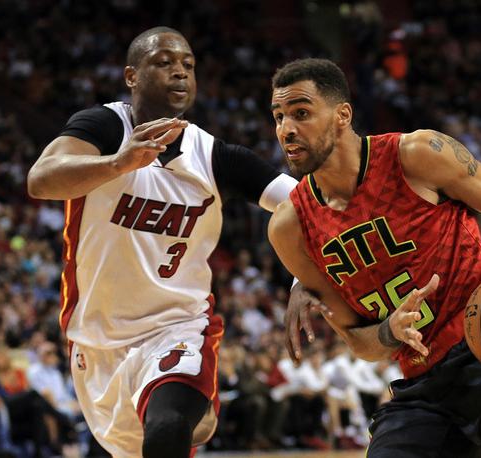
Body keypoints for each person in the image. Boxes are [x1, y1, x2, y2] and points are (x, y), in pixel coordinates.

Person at [268, 58, 481, 457]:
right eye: (279, 116)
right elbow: (359, 342)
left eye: (301, 113)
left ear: (342, 116)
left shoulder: (417, 155)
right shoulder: (290, 228)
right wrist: (389, 331)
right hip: (425, 387)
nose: (286, 129)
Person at [26, 26, 297, 458]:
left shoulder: (215, 156)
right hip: (97, 337)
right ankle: (199, 412)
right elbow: (40, 180)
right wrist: (119, 163)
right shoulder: (103, 126)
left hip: (178, 325)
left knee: (169, 422)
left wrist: (303, 278)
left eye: (188, 65)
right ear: (132, 75)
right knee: (140, 444)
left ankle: (195, 402)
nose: (180, 72)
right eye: (164, 62)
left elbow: (307, 206)